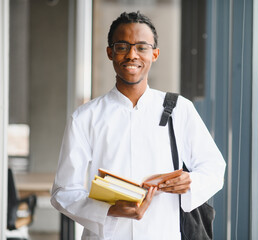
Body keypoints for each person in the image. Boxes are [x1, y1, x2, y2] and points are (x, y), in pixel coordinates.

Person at [51, 11, 226, 240]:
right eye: (123, 46)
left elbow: (214, 169)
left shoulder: (180, 109)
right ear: (110, 52)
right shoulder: (85, 117)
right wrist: (110, 210)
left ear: (155, 54)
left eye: (142, 47)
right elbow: (63, 192)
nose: (132, 55)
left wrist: (190, 181)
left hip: (165, 232)